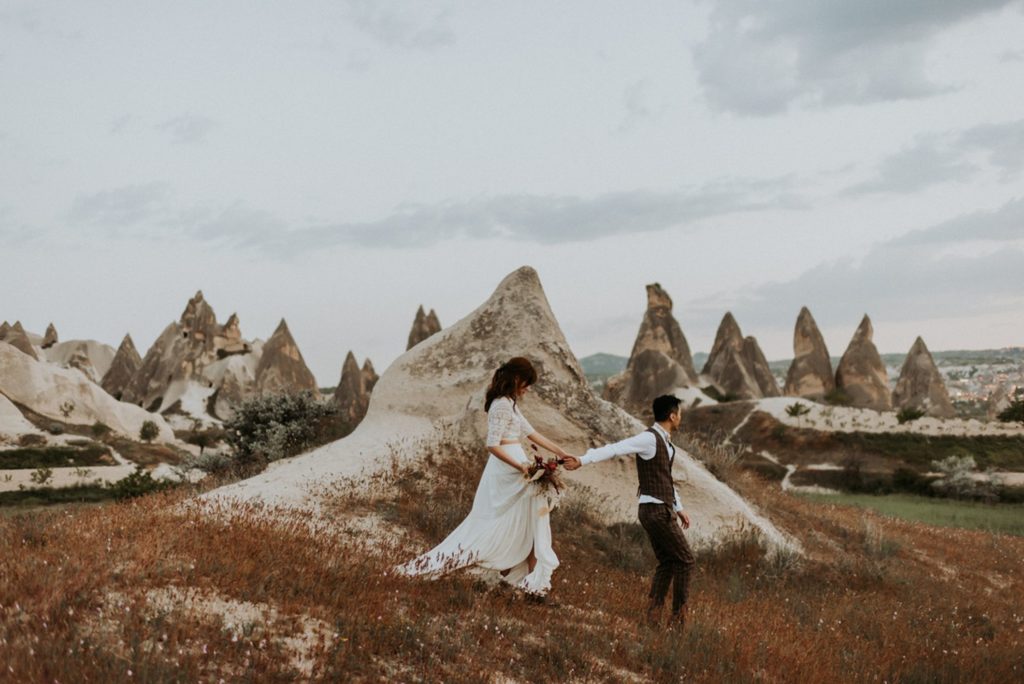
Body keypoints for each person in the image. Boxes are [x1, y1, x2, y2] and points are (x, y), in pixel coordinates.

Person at [397, 357, 573, 597]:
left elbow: (532, 433)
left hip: (519, 466)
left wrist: (561, 453)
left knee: (529, 520)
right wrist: (523, 468)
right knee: (508, 519)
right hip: (507, 469)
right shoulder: (501, 404)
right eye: (527, 383)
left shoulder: (510, 403)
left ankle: (531, 583)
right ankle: (527, 582)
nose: (528, 389)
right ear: (517, 379)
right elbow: (492, 445)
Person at [563, 394, 695, 627]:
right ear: (672, 415)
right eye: (679, 414)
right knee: (685, 560)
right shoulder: (649, 439)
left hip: (659, 508)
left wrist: (679, 507)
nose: (680, 418)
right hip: (655, 511)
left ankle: (653, 618)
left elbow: (665, 477)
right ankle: (678, 621)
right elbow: (616, 448)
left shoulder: (665, 441)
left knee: (667, 562)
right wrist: (583, 460)